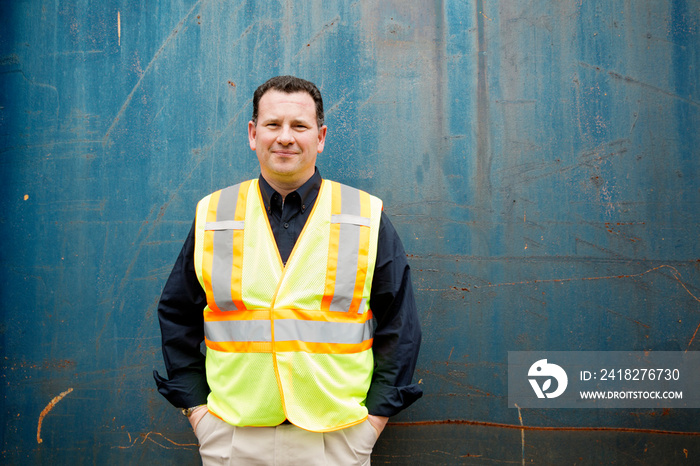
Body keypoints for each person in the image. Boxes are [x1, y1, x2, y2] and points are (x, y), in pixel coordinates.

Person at [153, 75, 422, 465]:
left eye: (299, 126)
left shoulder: (364, 215)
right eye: (272, 124)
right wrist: (199, 414)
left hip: (336, 438)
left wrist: (372, 423)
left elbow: (401, 323)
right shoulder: (214, 215)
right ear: (252, 133)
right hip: (235, 435)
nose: (285, 137)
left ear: (321, 136)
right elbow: (177, 315)